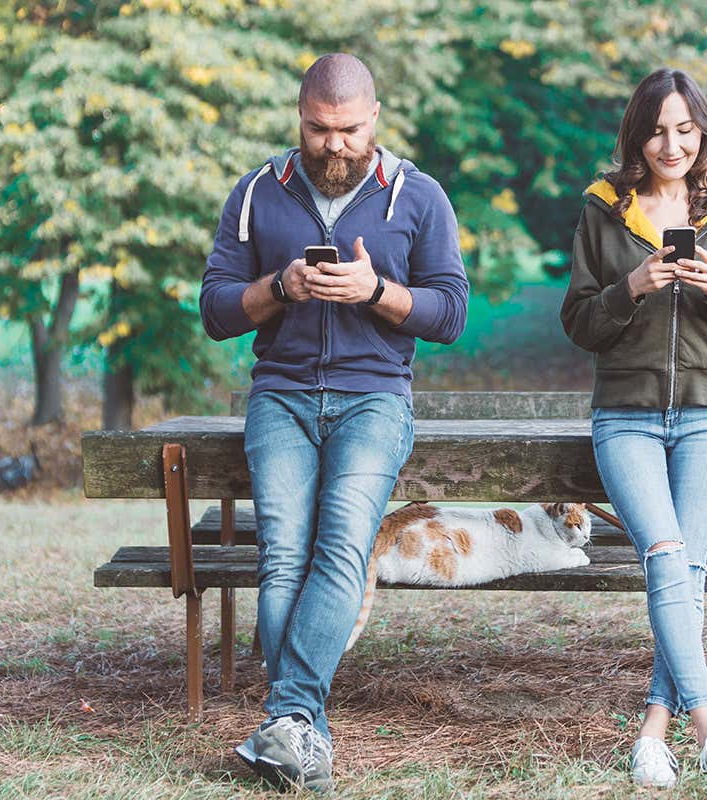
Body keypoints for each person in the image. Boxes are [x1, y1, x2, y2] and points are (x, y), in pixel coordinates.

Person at [199, 53, 468, 791]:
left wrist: (376, 291)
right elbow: (216, 310)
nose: (335, 145)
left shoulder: (419, 197)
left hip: (375, 398)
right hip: (281, 396)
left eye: (349, 129)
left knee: (344, 542)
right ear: (300, 117)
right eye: (320, 129)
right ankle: (300, 731)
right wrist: (279, 287)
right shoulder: (256, 192)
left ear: (374, 118)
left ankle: (287, 720)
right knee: (283, 554)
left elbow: (450, 313)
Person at [560, 67, 707, 787]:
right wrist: (630, 288)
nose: (671, 145)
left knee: (682, 568)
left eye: (685, 129)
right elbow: (578, 322)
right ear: (637, 137)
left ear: (703, 133)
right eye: (656, 131)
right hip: (626, 417)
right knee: (665, 552)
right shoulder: (603, 211)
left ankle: (654, 729)